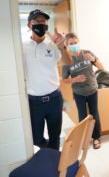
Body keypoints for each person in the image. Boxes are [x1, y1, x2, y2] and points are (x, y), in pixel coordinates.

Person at [23, 9, 72, 150]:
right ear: (29, 25)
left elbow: (68, 62)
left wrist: (62, 47)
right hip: (33, 102)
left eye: (43, 21)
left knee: (55, 137)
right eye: (37, 21)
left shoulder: (53, 45)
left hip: (54, 99)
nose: (41, 23)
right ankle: (48, 153)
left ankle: (54, 163)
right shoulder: (22, 46)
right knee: (36, 139)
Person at [62, 33, 104, 149]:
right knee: (82, 116)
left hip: (92, 89)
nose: (74, 45)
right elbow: (64, 81)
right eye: (71, 44)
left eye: (75, 43)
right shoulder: (66, 60)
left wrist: (93, 59)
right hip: (79, 92)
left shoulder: (87, 53)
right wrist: (75, 79)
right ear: (67, 45)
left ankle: (96, 138)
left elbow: (101, 67)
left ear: (78, 42)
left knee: (94, 113)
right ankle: (83, 139)